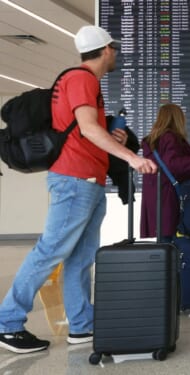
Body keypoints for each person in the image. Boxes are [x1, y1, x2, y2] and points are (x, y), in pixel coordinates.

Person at [0, 25, 157, 354]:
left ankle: (82, 324)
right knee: (51, 251)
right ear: (106, 50)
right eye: (114, 48)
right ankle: (8, 323)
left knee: (80, 258)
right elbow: (86, 127)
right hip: (74, 181)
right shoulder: (81, 79)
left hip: (87, 181)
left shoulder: (84, 83)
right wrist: (130, 158)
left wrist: (112, 140)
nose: (116, 53)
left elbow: (86, 132)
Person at [140, 103, 190, 242]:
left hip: (155, 197)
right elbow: (173, 164)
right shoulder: (170, 137)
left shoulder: (152, 141)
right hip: (169, 195)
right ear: (178, 118)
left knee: (164, 241)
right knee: (173, 241)